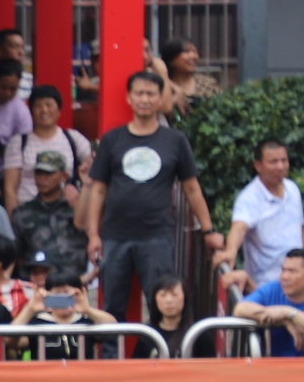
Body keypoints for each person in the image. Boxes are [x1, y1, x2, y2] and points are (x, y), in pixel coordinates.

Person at [85, 72, 219, 318]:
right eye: (139, 93)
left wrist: (208, 230)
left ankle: (159, 355)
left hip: (157, 236)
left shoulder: (175, 140)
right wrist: (93, 234)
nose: (144, 99)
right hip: (114, 236)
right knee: (111, 308)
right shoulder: (112, 139)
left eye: (150, 94)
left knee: (161, 306)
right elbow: (99, 189)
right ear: (128, 98)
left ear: (160, 100)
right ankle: (109, 357)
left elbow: (191, 188)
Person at [218, 140, 304, 295]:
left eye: (284, 161)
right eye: (273, 162)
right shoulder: (249, 197)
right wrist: (231, 251)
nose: (280, 166)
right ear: (258, 166)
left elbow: (301, 230)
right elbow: (239, 227)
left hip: (299, 285)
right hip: (266, 287)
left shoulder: (293, 189)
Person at [1, 85, 90, 208]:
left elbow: (95, 164)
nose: (44, 110)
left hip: (66, 214)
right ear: (31, 111)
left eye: (49, 105)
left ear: (59, 110)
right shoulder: (18, 143)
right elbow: (10, 188)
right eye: (38, 105)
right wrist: (13, 222)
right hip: (28, 215)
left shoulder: (73, 138)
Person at [12, 270, 119, 361]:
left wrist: (87, 310)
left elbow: (114, 328)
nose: (62, 298)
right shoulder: (37, 323)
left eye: (67, 294)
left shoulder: (86, 321)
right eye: (57, 294)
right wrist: (30, 309)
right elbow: (10, 339)